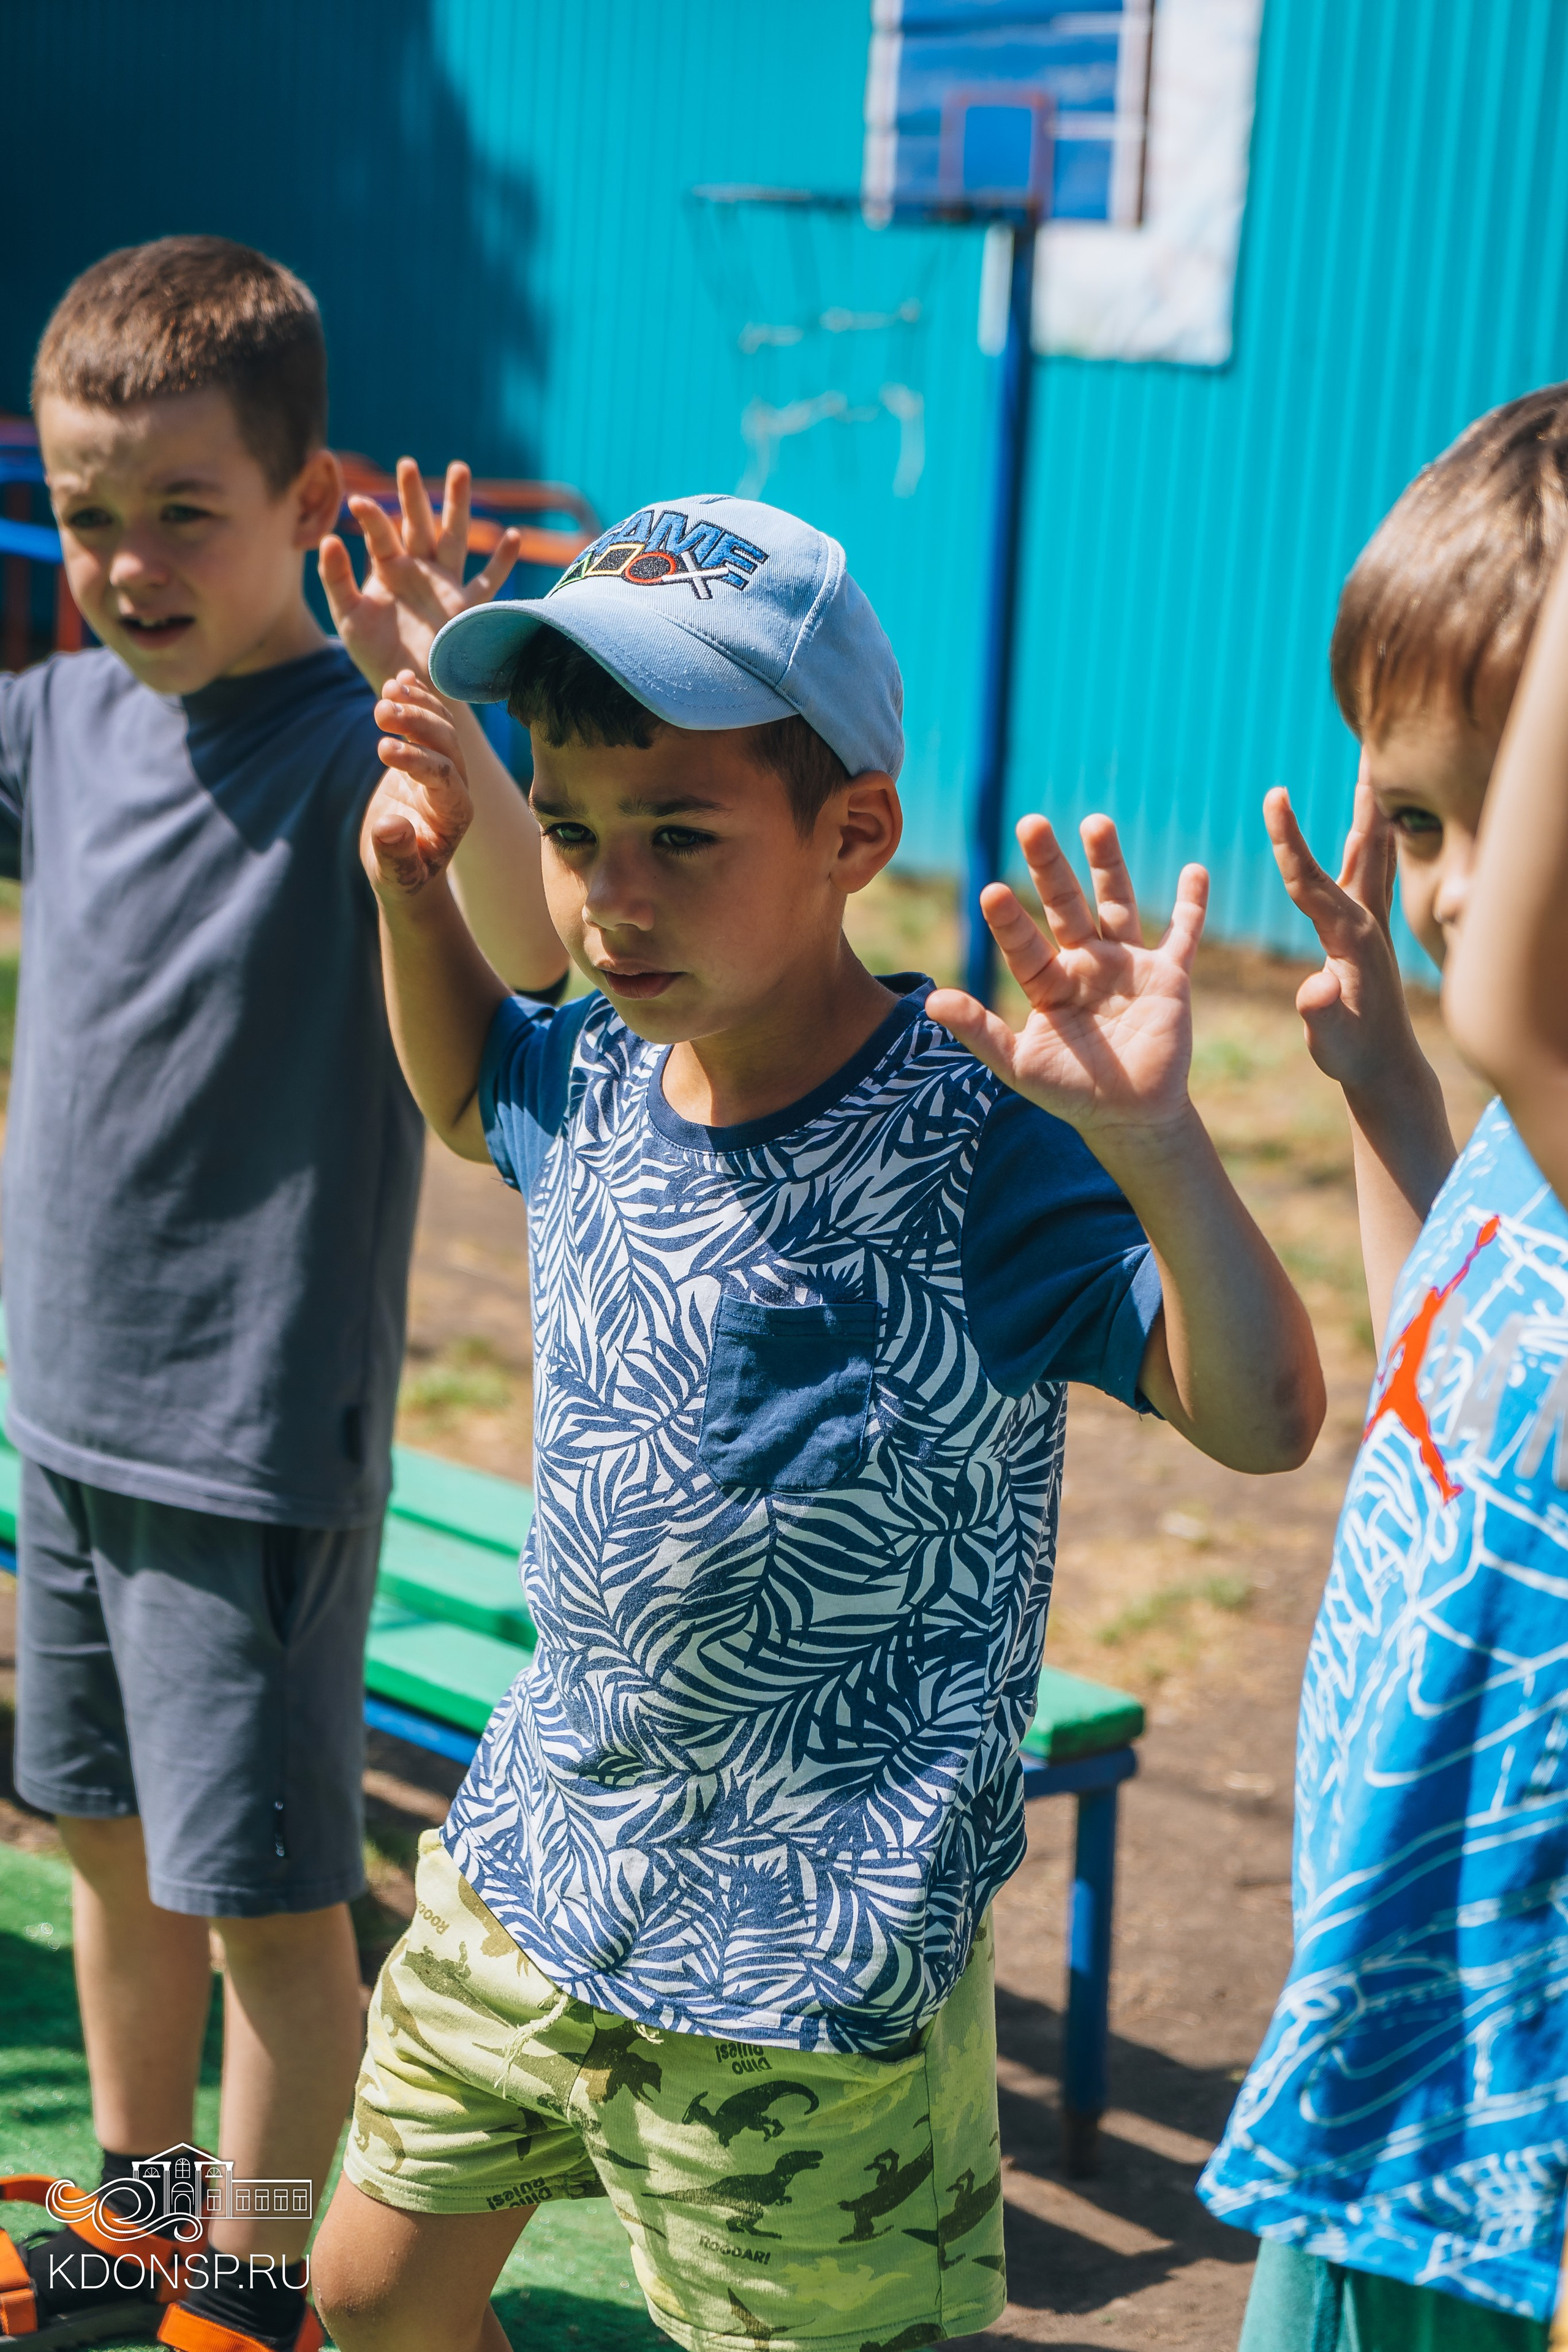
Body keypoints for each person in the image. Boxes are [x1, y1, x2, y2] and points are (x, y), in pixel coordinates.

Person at [306, 492, 1324, 2352]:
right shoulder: (600, 1067)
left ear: (854, 833)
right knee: (367, 2296)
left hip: (810, 1960)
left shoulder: (975, 1139)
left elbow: (1261, 1423)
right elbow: (468, 1095)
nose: (610, 896)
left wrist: (1157, 1144)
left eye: (680, 836)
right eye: (574, 834)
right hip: (543, 1861)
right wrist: (408, 891)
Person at [0, 236, 565, 2352]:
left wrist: (449, 723)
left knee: (267, 1914)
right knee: (105, 1855)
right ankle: (144, 2219)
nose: (128, 564)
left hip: (248, 1447)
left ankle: (247, 2284)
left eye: (183, 511)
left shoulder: (359, 748)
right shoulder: (62, 717)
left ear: (308, 502)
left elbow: (534, 950)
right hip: (61, 1419)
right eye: (87, 516)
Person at [1197, 386, 1568, 2350]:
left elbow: (1513, 985)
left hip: (1504, 2105)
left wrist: (1479, 1012)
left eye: (1517, 819)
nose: (1450, 889)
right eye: (1421, 820)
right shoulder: (1514, 1142)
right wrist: (1380, 1090)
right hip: (1380, 2035)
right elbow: (1444, 1384)